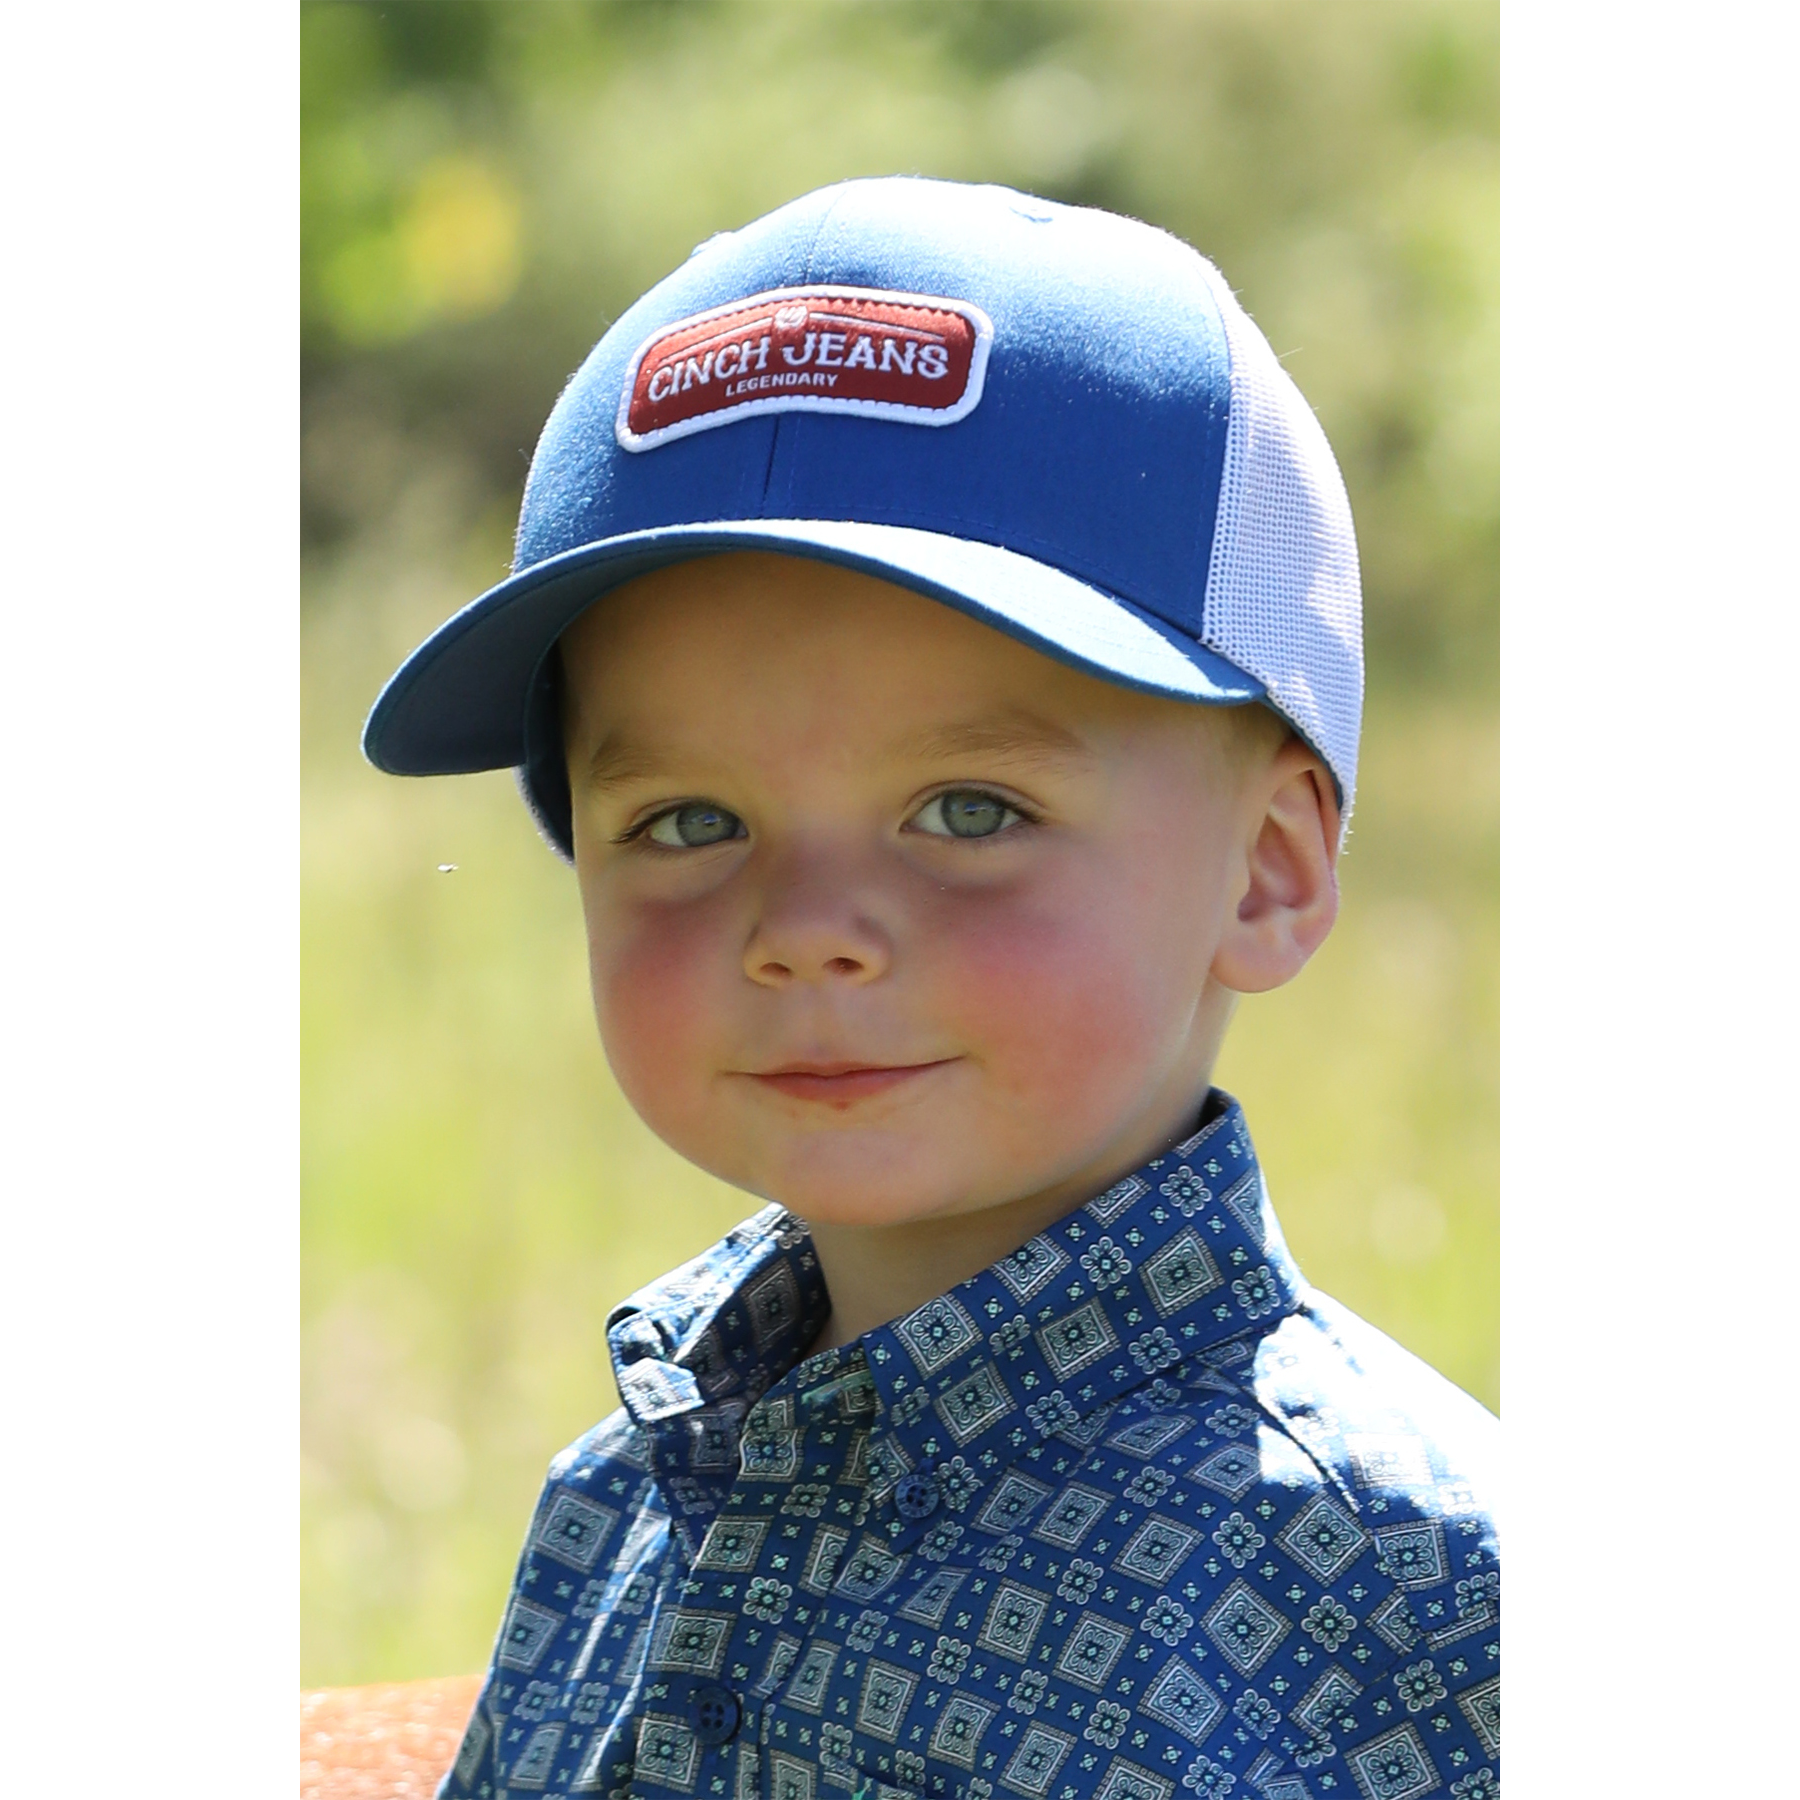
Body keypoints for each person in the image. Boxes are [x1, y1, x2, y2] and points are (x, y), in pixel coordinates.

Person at [363, 176, 1498, 1800]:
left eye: (970, 813)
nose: (806, 929)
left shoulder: (1425, 1594)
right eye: (688, 821)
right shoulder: (623, 1497)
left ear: (1267, 867)